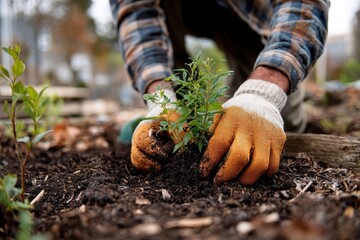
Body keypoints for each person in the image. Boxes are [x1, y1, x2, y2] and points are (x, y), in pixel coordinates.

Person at [109, 0, 330, 185]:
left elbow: (306, 5)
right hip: (176, 10)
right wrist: (160, 99)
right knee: (184, 131)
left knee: (275, 131)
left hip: (254, 16)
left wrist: (265, 90)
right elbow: (137, 18)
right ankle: (181, 126)